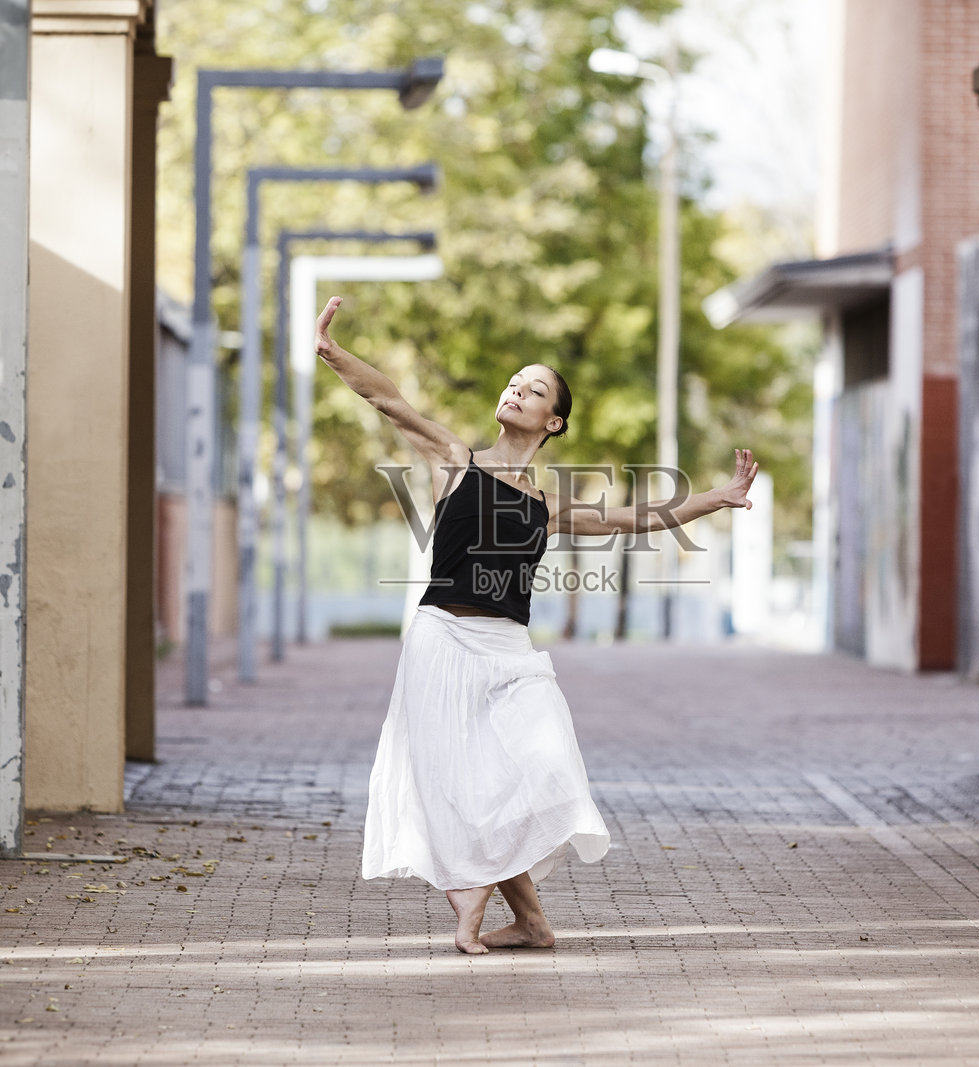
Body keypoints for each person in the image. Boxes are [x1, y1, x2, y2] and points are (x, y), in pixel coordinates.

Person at [313, 295, 760, 954]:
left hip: (510, 651)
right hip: (443, 641)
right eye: (514, 383)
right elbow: (389, 399)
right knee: (467, 783)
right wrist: (333, 353)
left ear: (555, 420)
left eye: (535, 389)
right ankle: (519, 918)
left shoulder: (548, 506)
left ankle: (494, 904)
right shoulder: (454, 459)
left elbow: (634, 516)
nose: (517, 391)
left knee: (543, 767)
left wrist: (714, 498)